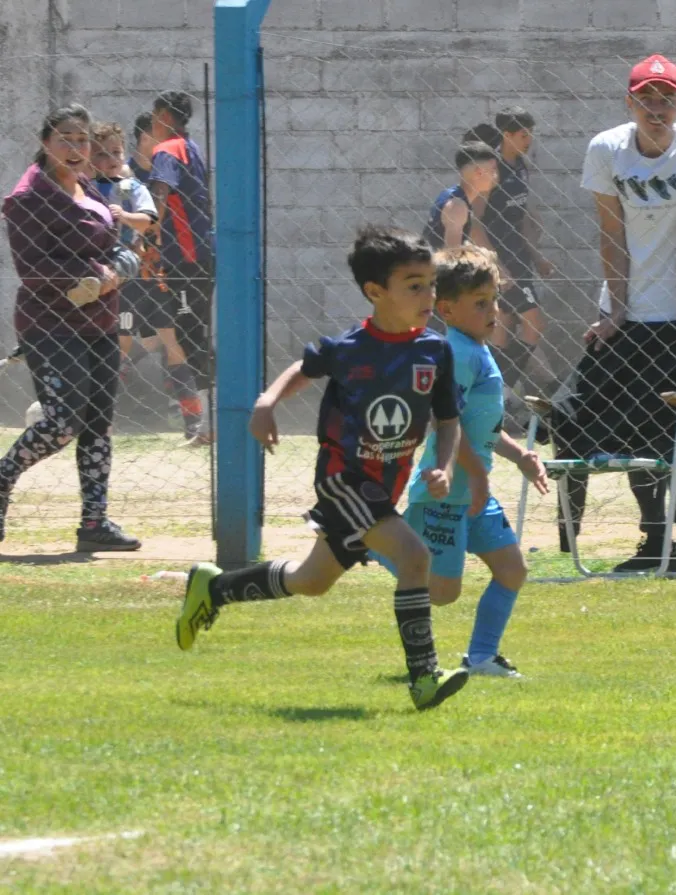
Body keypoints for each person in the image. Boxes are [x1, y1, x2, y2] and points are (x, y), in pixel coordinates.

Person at [174, 225, 469, 710]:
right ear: (376, 292)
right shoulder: (350, 348)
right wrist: (266, 401)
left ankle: (214, 587)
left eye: (431, 283)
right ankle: (424, 680)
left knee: (313, 580)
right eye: (414, 285)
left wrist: (444, 465)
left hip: (383, 487)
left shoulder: (434, 351)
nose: (428, 295)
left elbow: (449, 419)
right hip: (344, 479)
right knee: (414, 557)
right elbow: (303, 369)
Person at [578, 53, 676, 573]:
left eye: (667, 99)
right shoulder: (606, 149)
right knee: (633, 430)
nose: (656, 109)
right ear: (630, 102)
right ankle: (653, 540)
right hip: (626, 312)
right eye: (647, 99)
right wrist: (617, 310)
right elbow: (610, 231)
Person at [376, 245, 549, 678]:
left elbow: (483, 427)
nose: (493, 311)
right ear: (447, 309)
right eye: (480, 304)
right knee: (442, 593)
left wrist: (519, 456)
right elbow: (445, 422)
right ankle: (368, 542)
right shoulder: (454, 354)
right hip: (446, 493)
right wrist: (474, 474)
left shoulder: (478, 349)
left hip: (474, 490)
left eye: (494, 301)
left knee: (512, 569)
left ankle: (482, 658)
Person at [0, 104, 142, 551]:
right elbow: (34, 269)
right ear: (46, 142)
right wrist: (104, 273)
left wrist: (116, 267)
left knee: (98, 422)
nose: (77, 148)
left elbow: (116, 245)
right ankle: (2, 478)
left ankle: (93, 524)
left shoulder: (87, 188)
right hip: (50, 323)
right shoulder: (27, 199)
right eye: (66, 138)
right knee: (63, 421)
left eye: (83, 140)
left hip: (99, 319)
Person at [475, 107, 556, 393]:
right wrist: (497, 266)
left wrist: (537, 257)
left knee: (502, 332)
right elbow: (475, 222)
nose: (529, 139)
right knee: (534, 324)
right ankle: (504, 391)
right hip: (501, 263)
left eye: (531, 133)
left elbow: (519, 219)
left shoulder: (521, 167)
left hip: (519, 259)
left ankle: (497, 395)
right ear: (506, 135)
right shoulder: (491, 171)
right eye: (523, 134)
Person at [150, 90, 214, 446]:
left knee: (191, 337)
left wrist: (146, 236)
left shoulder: (167, 150)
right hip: (198, 255)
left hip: (186, 260)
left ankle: (209, 423)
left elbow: (160, 193)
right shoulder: (192, 146)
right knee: (194, 335)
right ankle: (210, 420)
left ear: (163, 115)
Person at [88, 120, 157, 362]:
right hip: (91, 260)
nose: (111, 159)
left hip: (123, 262)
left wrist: (125, 216)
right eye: (102, 154)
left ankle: (117, 371)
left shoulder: (129, 187)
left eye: (116, 152)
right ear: (88, 157)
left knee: (122, 329)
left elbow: (147, 219)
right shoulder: (84, 186)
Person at [423, 141, 500, 251]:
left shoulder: (455, 196)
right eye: (493, 170)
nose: (496, 175)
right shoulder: (457, 206)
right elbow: (451, 258)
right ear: (479, 173)